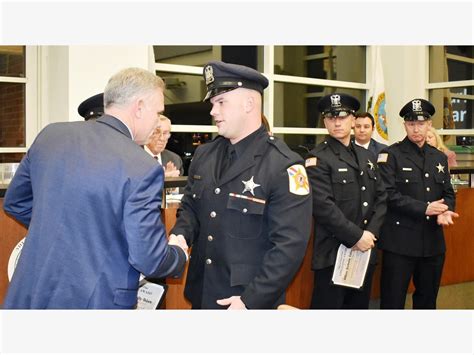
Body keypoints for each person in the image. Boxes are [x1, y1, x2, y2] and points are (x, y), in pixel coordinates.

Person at [3, 67, 188, 309]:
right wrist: (178, 254)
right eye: (158, 112)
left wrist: (67, 232)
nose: (156, 122)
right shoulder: (141, 166)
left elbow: (16, 202)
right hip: (95, 301)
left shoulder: (51, 135)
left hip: (30, 293)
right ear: (139, 107)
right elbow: (149, 259)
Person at [169, 61, 312, 309]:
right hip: (202, 291)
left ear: (249, 104)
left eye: (221, 102)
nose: (213, 111)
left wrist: (251, 300)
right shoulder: (205, 154)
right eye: (213, 103)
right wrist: (180, 234)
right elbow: (191, 207)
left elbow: (289, 246)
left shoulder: (284, 165)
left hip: (246, 299)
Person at [306, 93, 387, 309]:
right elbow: (323, 206)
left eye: (342, 117)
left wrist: (370, 234)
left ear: (353, 120)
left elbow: (381, 197)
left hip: (364, 252)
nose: (337, 122)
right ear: (325, 122)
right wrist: (357, 236)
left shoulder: (368, 156)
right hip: (334, 254)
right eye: (331, 118)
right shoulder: (317, 158)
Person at [377, 98, 459, 309]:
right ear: (404, 125)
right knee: (392, 302)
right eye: (411, 124)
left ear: (429, 125)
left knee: (427, 302)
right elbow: (388, 194)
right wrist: (425, 208)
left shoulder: (439, 157)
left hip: (432, 243)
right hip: (400, 243)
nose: (416, 129)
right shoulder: (390, 155)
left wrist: (446, 210)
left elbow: (448, 192)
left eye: (421, 124)